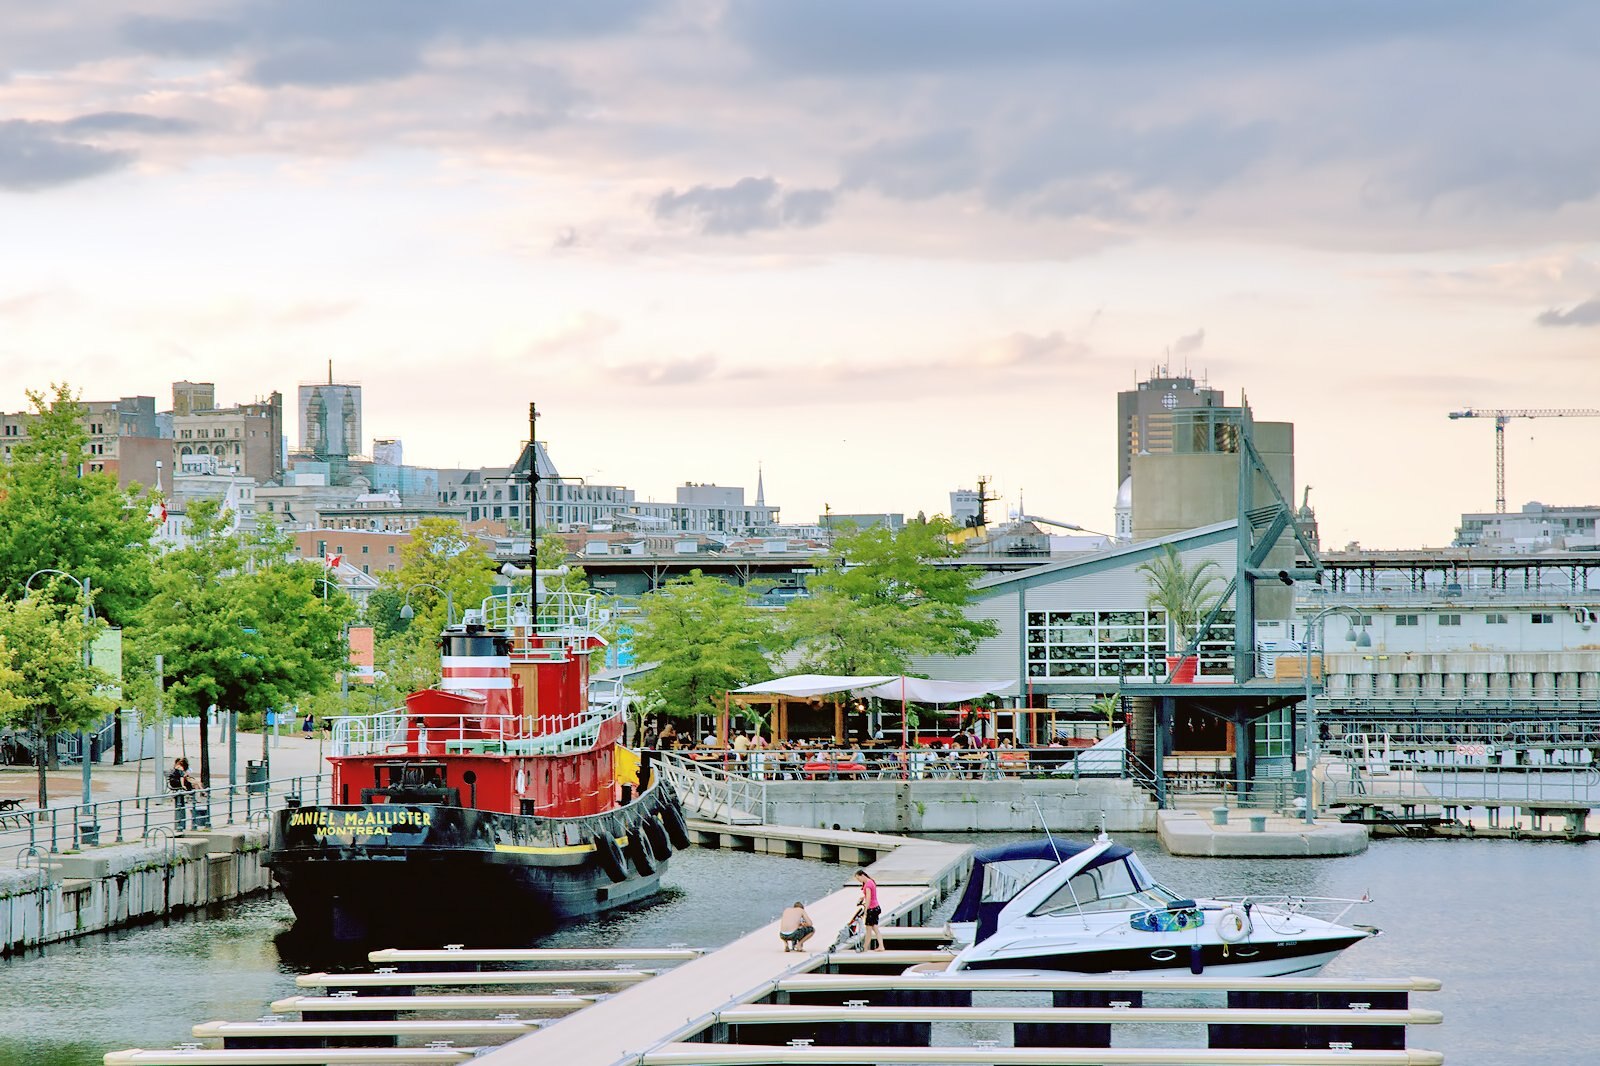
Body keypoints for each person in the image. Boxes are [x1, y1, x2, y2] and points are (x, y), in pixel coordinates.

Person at [853, 868, 883, 951]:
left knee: (869, 929)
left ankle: (865, 947)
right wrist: (863, 897)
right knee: (875, 928)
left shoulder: (867, 885)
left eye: (858, 879)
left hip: (872, 909)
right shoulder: (871, 881)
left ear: (862, 876)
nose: (859, 881)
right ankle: (881, 946)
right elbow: (871, 895)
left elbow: (869, 898)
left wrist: (865, 911)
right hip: (876, 907)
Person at [167, 757, 196, 830]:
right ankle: (192, 794)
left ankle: (180, 826)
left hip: (173, 782)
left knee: (192, 782)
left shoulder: (176, 767)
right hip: (177, 783)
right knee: (191, 783)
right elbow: (181, 778)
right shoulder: (180, 768)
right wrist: (182, 785)